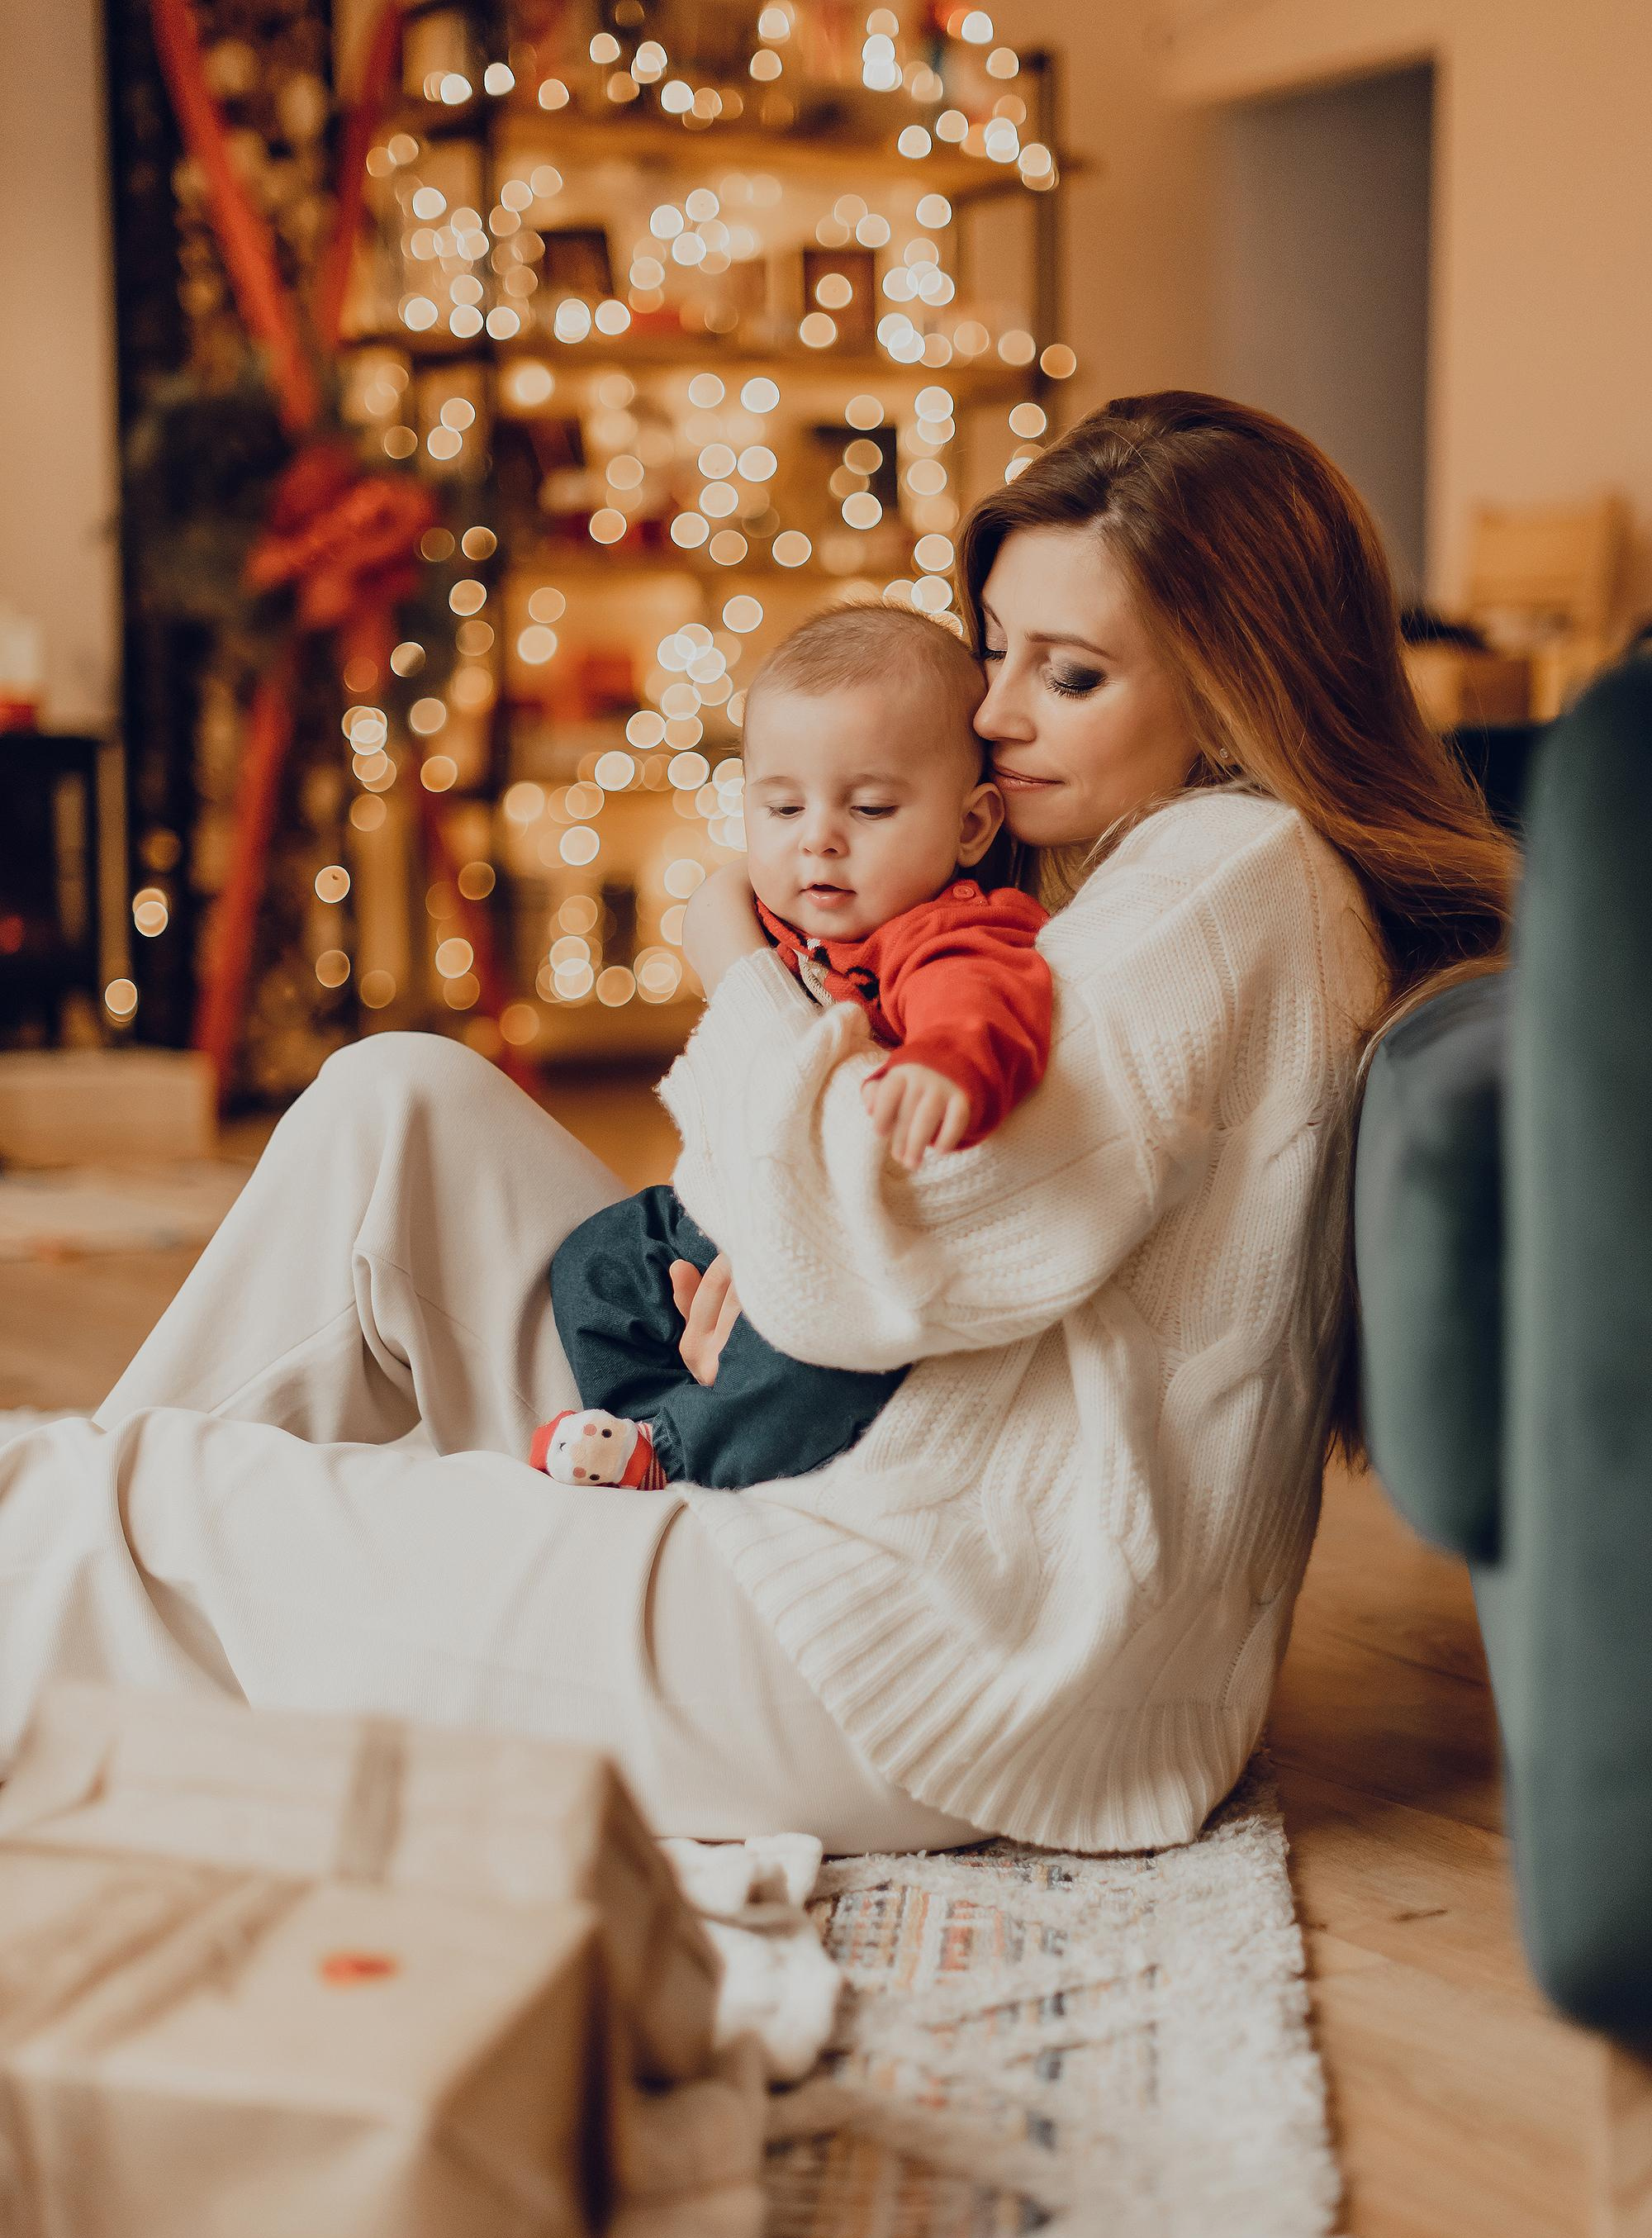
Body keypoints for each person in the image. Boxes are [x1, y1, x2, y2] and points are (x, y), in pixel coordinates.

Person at [0, 392, 1516, 1856]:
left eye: (1071, 675)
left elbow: (850, 1283)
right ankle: (122, 1658)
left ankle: (102, 1642)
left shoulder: (1219, 883)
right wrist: (753, 1218)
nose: (990, 713)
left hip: (899, 1644)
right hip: (828, 1476)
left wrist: (736, 970)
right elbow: (832, 1237)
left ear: (1239, 679)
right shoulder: (1144, 873)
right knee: (400, 1102)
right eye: (996, 650)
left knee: (105, 1499)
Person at [535, 603, 1051, 1494]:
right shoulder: (772, 920)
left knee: (819, 1350)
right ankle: (645, 1420)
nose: (818, 836)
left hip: (846, 1245)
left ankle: (676, 1451)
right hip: (731, 1207)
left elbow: (982, 1002)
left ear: (970, 828)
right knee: (600, 1258)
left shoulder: (943, 932)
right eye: (780, 805)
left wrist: (945, 1064)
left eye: (870, 806)